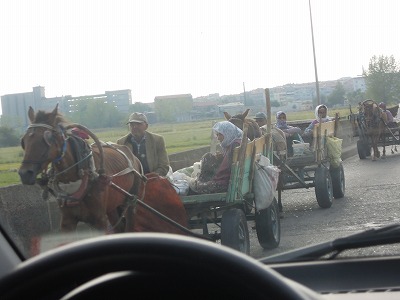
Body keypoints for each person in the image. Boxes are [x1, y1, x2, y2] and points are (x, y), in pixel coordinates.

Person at [189, 121, 243, 194]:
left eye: (220, 135)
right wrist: (222, 158)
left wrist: (220, 161)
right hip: (228, 181)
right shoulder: (235, 143)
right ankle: (201, 181)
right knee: (209, 156)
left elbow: (230, 167)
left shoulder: (234, 145)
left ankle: (199, 182)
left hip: (224, 184)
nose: (218, 138)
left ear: (228, 133)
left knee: (195, 186)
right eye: (217, 135)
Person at [116, 112, 170, 176]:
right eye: (132, 124)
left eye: (138, 124)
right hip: (132, 181)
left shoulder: (157, 140)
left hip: (153, 179)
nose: (134, 127)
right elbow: (119, 168)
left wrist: (152, 176)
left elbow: (164, 165)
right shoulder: (121, 143)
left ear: (146, 126)